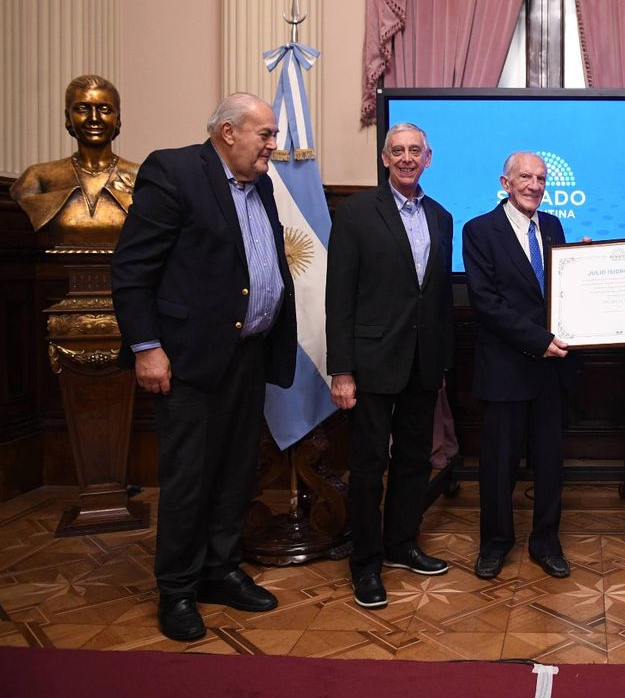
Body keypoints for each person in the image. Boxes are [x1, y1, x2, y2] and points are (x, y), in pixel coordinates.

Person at [111, 93, 297, 642]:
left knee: (236, 471)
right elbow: (132, 268)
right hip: (188, 359)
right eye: (264, 134)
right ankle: (177, 590)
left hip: (247, 354)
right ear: (227, 133)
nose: (273, 145)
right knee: (190, 478)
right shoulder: (174, 171)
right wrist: (147, 347)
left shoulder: (259, 183)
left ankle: (219, 570)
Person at [325, 122, 453, 609]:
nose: (405, 158)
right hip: (371, 364)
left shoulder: (441, 216)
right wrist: (342, 369)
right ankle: (366, 563)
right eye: (396, 150)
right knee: (368, 466)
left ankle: (401, 545)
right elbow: (339, 296)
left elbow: (436, 299)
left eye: (414, 151)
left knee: (415, 462)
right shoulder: (357, 213)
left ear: (428, 157)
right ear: (384, 158)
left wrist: (441, 363)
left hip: (423, 366)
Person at [462, 152, 577, 580]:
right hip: (506, 368)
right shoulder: (478, 230)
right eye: (525, 177)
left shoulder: (552, 226)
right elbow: (486, 303)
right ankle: (495, 543)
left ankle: (546, 542)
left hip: (551, 370)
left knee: (550, 464)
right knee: (498, 466)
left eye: (541, 178)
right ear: (505, 182)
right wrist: (539, 341)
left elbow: (558, 291)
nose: (534, 184)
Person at [10, 75, 140, 249]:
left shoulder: (141, 176)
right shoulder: (36, 177)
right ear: (68, 117)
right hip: (53, 271)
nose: (94, 118)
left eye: (104, 109)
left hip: (125, 271)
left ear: (118, 119)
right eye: (82, 109)